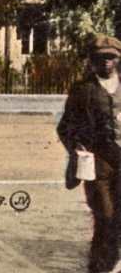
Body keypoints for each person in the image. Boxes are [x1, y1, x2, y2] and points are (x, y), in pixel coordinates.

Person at [58, 35, 121, 273]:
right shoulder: (82, 90)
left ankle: (110, 261)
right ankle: (99, 266)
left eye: (111, 58)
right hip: (98, 163)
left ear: (117, 59)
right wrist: (76, 145)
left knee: (119, 217)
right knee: (104, 214)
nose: (106, 63)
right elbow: (65, 127)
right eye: (100, 58)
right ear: (92, 61)